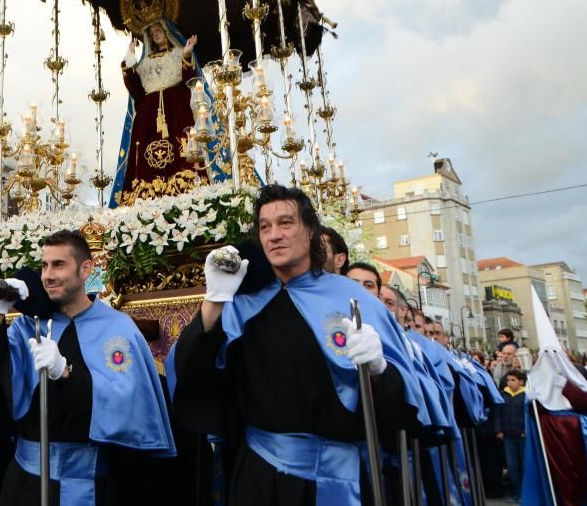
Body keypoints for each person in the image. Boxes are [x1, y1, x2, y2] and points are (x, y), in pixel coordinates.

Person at [170, 184, 424, 505]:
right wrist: (214, 300)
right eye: (265, 227)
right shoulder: (243, 304)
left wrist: (378, 370)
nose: (274, 235)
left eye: (286, 223)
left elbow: (402, 405)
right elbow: (192, 375)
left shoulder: (353, 297)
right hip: (261, 476)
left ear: (311, 232)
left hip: (341, 479)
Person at [0, 229, 175, 505]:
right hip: (25, 483)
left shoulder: (118, 328)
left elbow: (128, 409)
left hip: (91, 485)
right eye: (44, 266)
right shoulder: (28, 326)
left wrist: (65, 374)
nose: (47, 275)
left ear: (86, 270)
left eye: (59, 265)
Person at [110, 0, 226, 206]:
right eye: (151, 32)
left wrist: (187, 53)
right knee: (144, 154)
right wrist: (130, 58)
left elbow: (190, 80)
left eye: (158, 30)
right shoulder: (143, 63)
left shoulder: (178, 53)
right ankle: (144, 198)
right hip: (148, 114)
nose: (155, 34)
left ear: (166, 30)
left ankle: (191, 194)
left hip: (177, 106)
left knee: (183, 146)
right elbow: (135, 89)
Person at [496, 369, 526, 502]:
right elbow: (498, 414)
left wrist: (526, 430)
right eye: (508, 380)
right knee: (511, 465)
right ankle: (516, 493)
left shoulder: (526, 396)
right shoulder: (503, 395)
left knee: (524, 465)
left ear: (521, 381)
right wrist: (499, 430)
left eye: (513, 380)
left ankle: (525, 493)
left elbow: (529, 415)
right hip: (508, 436)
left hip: (522, 436)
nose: (510, 383)